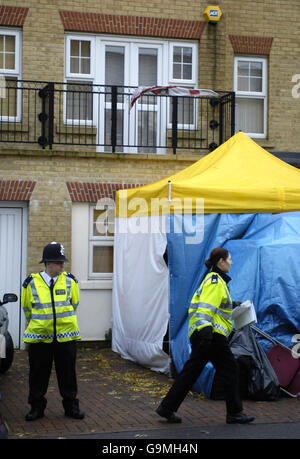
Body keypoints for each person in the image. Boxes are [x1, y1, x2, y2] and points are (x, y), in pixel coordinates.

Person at [156, 247, 254, 425]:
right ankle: (234, 413)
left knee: (190, 373)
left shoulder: (215, 281)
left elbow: (215, 307)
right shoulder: (216, 281)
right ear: (221, 262)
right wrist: (206, 334)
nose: (231, 262)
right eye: (229, 259)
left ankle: (167, 408)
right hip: (211, 336)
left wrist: (233, 306)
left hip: (205, 335)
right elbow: (204, 309)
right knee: (230, 369)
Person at [21, 241, 84, 421]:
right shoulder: (31, 283)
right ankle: (36, 408)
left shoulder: (71, 281)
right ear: (47, 263)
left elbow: (74, 305)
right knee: (38, 375)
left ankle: (71, 407)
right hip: (40, 338)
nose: (62, 265)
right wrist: (42, 325)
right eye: (58, 262)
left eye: (63, 261)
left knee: (68, 374)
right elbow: (27, 309)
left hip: (66, 337)